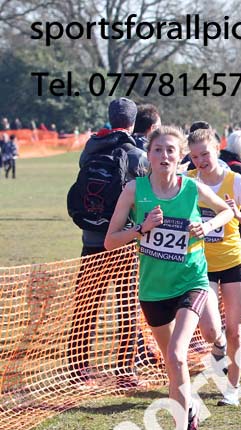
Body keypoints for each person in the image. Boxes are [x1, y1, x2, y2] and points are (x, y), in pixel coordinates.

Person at [104, 125, 233, 430]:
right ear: (149, 155)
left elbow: (227, 210)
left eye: (171, 150)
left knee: (177, 354)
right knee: (172, 364)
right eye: (158, 150)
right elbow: (110, 240)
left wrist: (207, 226)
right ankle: (189, 409)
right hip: (153, 289)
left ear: (181, 156)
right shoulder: (135, 189)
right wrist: (141, 228)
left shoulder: (191, 187)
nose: (164, 156)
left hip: (191, 280)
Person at [67, 98, 148, 386]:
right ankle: (125, 370)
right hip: (124, 240)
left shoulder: (90, 150)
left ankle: (77, 368)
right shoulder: (137, 155)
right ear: (133, 123)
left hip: (91, 238)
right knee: (126, 306)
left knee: (86, 305)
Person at [186, 128, 241, 406]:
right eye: (195, 157)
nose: (200, 161)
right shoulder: (188, 181)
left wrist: (236, 213)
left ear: (217, 150)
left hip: (233, 262)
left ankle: (232, 389)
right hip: (201, 265)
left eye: (205, 154)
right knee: (209, 330)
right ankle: (218, 346)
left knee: (236, 330)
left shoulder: (236, 181)